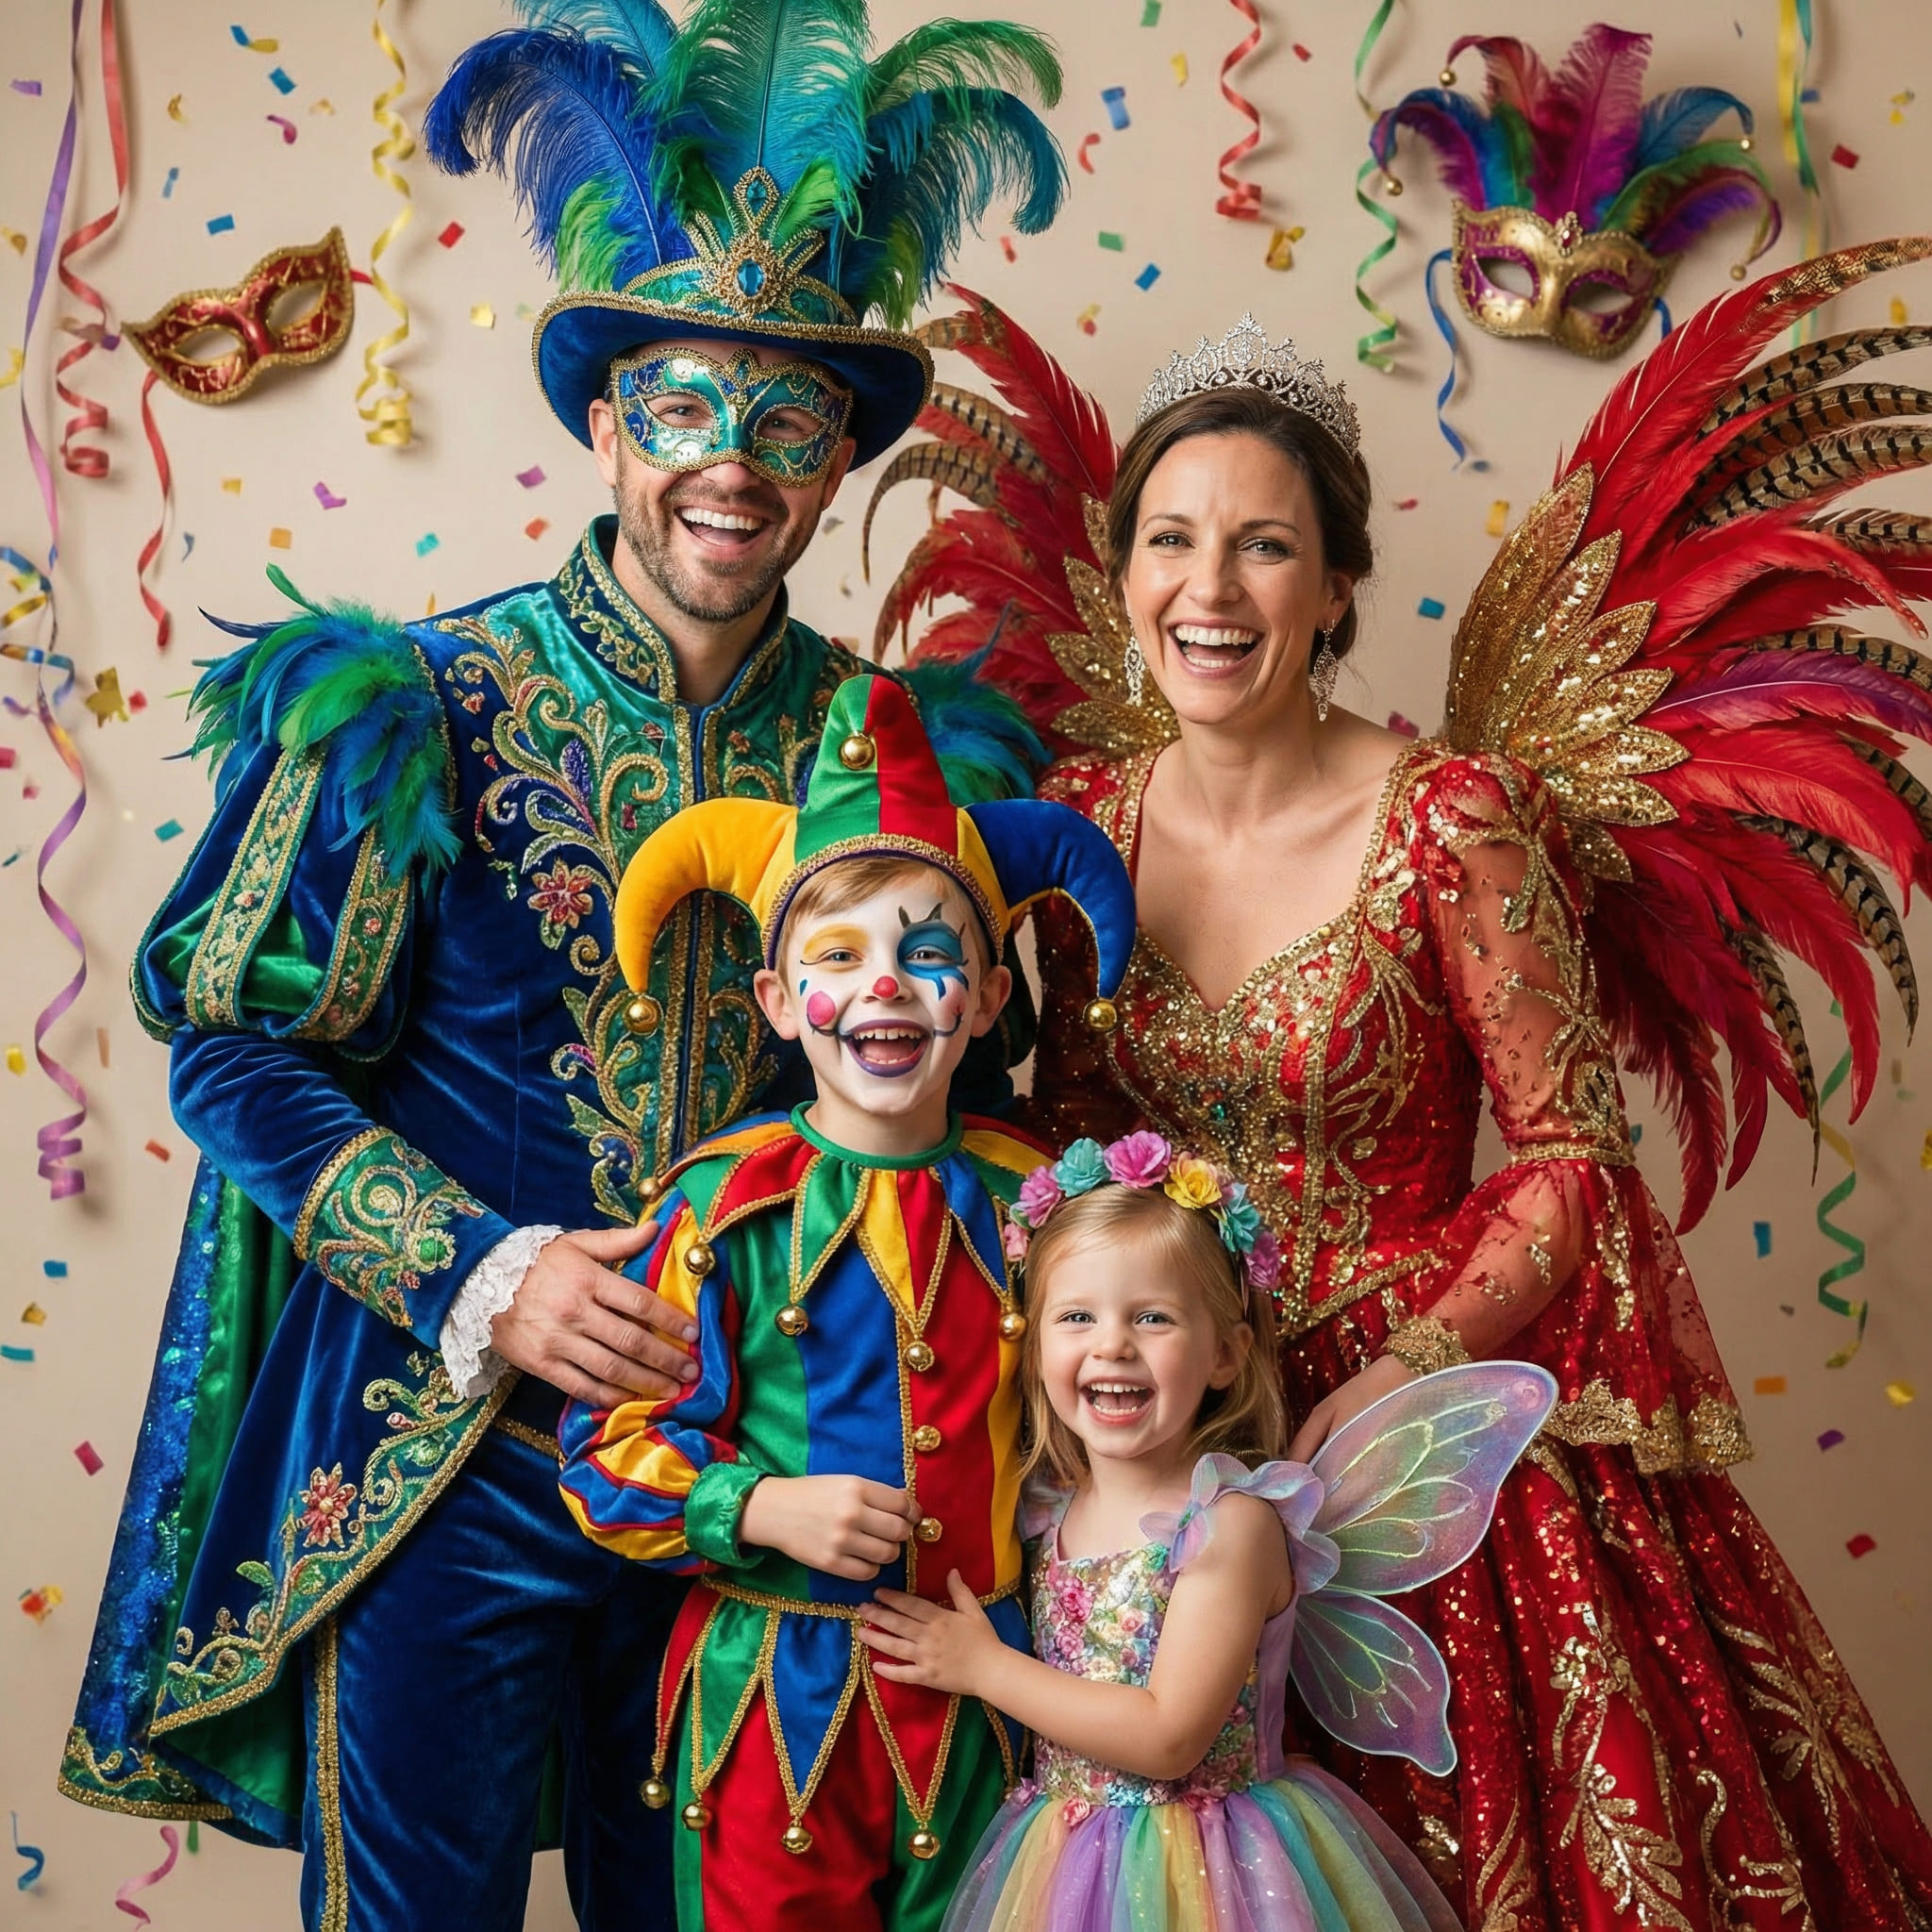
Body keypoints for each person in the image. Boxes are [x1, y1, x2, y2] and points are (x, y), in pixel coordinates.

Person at [58, 8, 1065, 1927]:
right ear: (608, 427)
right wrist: (483, 1271)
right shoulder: (416, 699)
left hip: (765, 1481)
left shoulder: (903, 754)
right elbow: (227, 1045)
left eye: (789, 426)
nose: (732, 466)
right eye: (687, 409)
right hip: (447, 1458)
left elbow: (968, 1098)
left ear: (840, 463)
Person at [873, 261, 1932, 1930]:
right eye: (1169, 537)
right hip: (1141, 1449)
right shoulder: (1065, 822)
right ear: (1119, 571)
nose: (1206, 585)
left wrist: (1373, 1383)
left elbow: (1571, 1153)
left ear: (1339, 582)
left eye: (1263, 543)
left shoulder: (1453, 817)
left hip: (1409, 1448)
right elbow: (1055, 1144)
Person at [555, 673, 1139, 1930]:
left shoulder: (1035, 1199)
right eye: (840, 957)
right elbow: (604, 1454)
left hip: (999, 1696)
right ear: (779, 1002)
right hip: (777, 1705)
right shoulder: (718, 1207)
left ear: (985, 1002)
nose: (885, 986)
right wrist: (759, 1501)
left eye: (930, 956)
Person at [858, 1136, 1556, 1932]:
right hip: (1060, 1858)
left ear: (1226, 1353)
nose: (1112, 1344)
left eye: (1152, 1317)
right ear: (1035, 1344)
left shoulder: (1232, 1526)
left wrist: (984, 1667)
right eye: (1077, 1316)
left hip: (1217, 1872)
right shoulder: (1046, 1507)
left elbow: (1167, 1737)